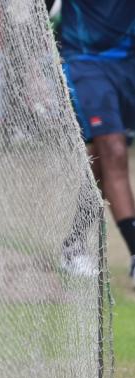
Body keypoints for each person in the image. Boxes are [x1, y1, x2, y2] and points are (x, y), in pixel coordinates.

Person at [54, 0, 135, 284]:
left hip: (128, 64)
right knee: (113, 149)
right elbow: (38, 14)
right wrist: (33, 66)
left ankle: (73, 244)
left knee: (101, 160)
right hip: (85, 62)